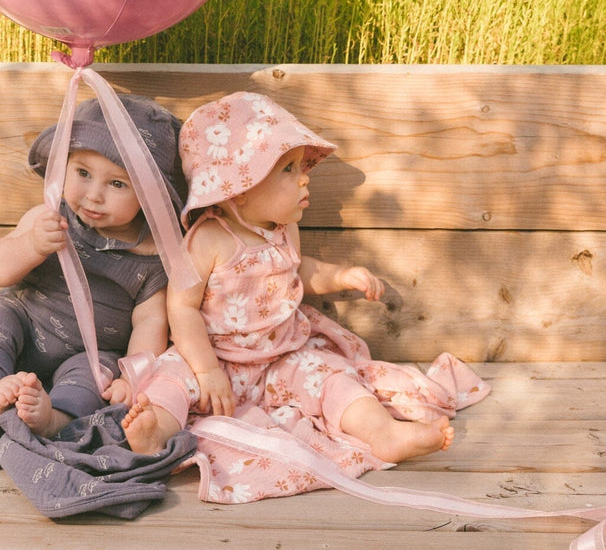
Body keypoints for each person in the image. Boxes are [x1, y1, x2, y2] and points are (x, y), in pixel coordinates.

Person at [122, 91, 488, 474]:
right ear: (239, 189)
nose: (304, 179)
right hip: (215, 359)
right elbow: (181, 306)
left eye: (301, 167)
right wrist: (205, 369)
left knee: (332, 377)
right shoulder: (207, 240)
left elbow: (300, 271)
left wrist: (340, 276)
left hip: (282, 357)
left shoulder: (285, 230)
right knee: (171, 381)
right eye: (288, 170)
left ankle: (383, 432)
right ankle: (157, 432)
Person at [0, 93, 184, 439]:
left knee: (96, 378)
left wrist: (131, 378)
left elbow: (150, 322)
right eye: (83, 172)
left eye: (117, 184)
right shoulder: (50, 218)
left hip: (92, 351)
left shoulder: (152, 255)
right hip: (25, 324)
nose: (94, 195)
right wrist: (31, 245)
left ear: (150, 195)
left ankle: (53, 419)